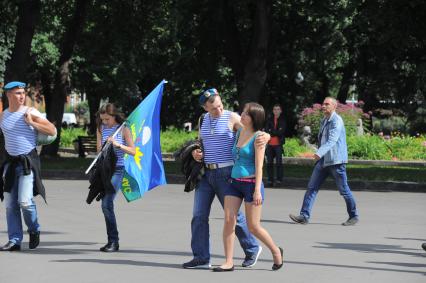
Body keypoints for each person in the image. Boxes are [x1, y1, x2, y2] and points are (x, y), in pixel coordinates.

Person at [182, 88, 269, 269]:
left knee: (233, 217)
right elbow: (202, 142)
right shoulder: (203, 120)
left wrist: (266, 136)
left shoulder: (232, 117)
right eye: (213, 108)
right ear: (205, 108)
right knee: (198, 216)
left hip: (226, 174)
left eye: (220, 105)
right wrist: (197, 153)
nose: (218, 110)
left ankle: (252, 248)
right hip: (206, 174)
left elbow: (253, 133)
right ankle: (201, 257)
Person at [213, 102, 283, 272]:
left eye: (246, 114)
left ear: (254, 118)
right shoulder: (239, 132)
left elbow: (259, 166)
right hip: (234, 183)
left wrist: (258, 190)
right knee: (229, 220)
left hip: (251, 185)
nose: (242, 115)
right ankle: (229, 261)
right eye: (243, 112)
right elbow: (226, 121)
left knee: (253, 226)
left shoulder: (258, 137)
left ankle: (276, 251)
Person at [0, 81, 56, 251]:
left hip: (27, 162)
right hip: (10, 163)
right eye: (18, 93)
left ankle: (34, 229)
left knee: (25, 201)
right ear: (8, 95)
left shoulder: (30, 111)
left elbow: (52, 130)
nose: (22, 96)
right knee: (10, 205)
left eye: (23, 93)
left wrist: (32, 123)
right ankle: (15, 240)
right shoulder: (3, 115)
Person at [289, 97, 359, 226]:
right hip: (323, 161)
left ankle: (354, 215)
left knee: (344, 190)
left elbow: (332, 140)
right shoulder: (324, 120)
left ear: (334, 106)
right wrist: (319, 152)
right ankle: (304, 216)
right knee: (311, 188)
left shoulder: (337, 121)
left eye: (327, 104)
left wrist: (318, 153)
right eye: (323, 104)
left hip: (336, 161)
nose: (323, 106)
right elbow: (322, 139)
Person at [96, 103, 135, 252]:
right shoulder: (101, 128)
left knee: (106, 203)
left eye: (107, 119)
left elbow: (133, 151)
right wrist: (105, 146)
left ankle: (113, 241)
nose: (105, 122)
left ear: (114, 116)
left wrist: (118, 145)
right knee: (106, 205)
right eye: (102, 119)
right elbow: (99, 149)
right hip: (104, 169)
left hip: (118, 169)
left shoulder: (124, 128)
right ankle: (111, 240)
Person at [265, 104, 286, 187]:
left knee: (278, 163)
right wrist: (275, 131)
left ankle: (279, 180)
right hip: (270, 144)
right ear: (273, 111)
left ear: (280, 111)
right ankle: (270, 180)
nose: (276, 111)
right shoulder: (269, 119)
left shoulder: (283, 120)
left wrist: (272, 131)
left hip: (278, 145)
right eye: (274, 109)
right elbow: (267, 130)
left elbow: (281, 131)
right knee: (269, 163)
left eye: (278, 109)